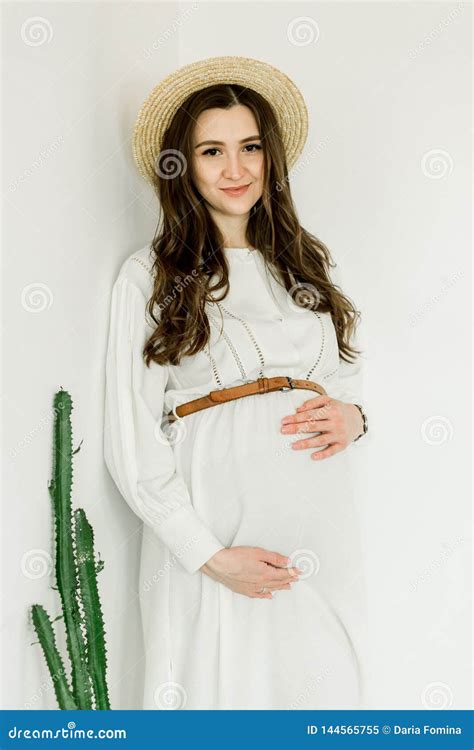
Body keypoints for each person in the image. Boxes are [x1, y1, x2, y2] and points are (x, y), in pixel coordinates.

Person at [104, 56, 370, 710]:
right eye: (212, 151)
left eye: (250, 147)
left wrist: (357, 417)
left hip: (321, 535)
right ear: (182, 165)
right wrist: (208, 555)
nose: (236, 168)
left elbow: (344, 378)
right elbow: (130, 439)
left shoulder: (304, 266)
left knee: (324, 694)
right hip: (213, 538)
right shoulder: (153, 275)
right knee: (215, 694)